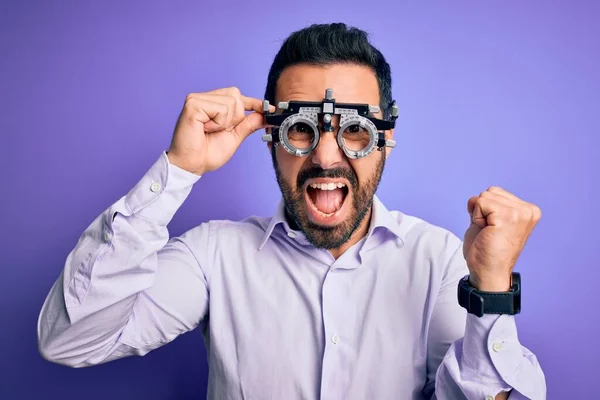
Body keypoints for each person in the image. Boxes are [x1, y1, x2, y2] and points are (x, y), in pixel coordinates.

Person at [37, 23, 546, 399]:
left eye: (355, 130)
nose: (326, 157)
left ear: (386, 139)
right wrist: (178, 170)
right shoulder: (214, 255)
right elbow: (70, 339)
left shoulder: (438, 261)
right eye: (302, 129)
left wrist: (492, 289)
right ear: (270, 136)